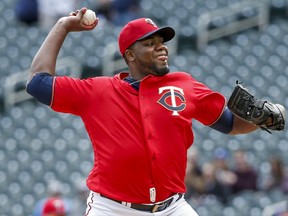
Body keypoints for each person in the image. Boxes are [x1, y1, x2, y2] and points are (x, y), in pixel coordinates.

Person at [26, 7, 285, 216]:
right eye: (150, 43)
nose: (161, 47)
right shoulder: (98, 90)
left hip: (172, 207)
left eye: (161, 42)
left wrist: (260, 120)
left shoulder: (184, 84)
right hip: (113, 208)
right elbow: (37, 83)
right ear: (130, 55)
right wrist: (62, 26)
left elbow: (230, 123)